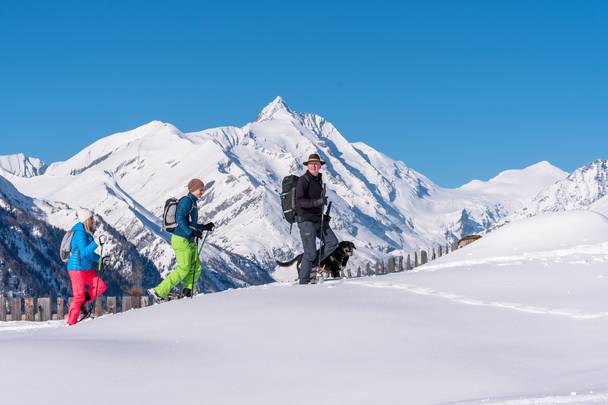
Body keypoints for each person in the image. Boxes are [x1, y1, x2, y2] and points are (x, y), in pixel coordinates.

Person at [149, 178, 214, 301]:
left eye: (203, 190)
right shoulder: (187, 201)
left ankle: (188, 291)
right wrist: (191, 231)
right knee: (184, 268)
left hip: (188, 239)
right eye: (201, 189)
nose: (202, 192)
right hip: (181, 239)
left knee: (196, 266)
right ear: (194, 189)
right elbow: (180, 219)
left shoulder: (193, 202)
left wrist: (203, 227)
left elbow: (190, 223)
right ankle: (159, 291)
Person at [295, 153, 339, 284]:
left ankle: (313, 264)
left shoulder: (318, 180)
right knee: (310, 253)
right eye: (311, 164)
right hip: (306, 221)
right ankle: (304, 282)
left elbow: (317, 203)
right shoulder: (303, 180)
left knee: (332, 242)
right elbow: (300, 202)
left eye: (316, 164)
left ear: (320, 166)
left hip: (318, 220)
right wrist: (317, 202)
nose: (314, 166)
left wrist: (323, 216)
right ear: (308, 166)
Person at [66, 208, 107, 325]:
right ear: (86, 220)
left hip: (85, 267)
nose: (93, 221)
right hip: (76, 268)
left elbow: (88, 254)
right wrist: (96, 243)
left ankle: (82, 303)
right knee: (78, 296)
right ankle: (71, 322)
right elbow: (84, 252)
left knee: (101, 286)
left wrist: (101, 260)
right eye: (91, 218)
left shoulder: (86, 232)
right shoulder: (80, 233)